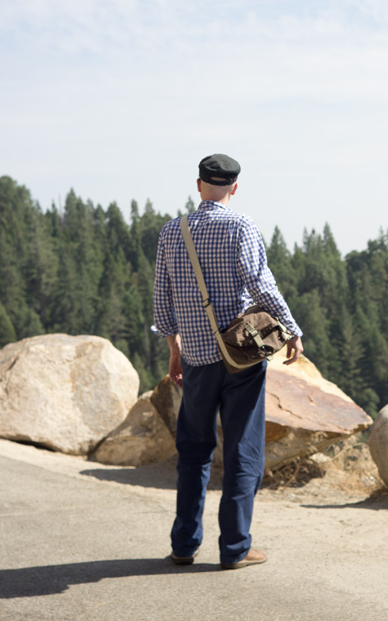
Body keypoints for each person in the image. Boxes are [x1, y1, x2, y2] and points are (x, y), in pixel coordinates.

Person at [153, 153, 303, 569]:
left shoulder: (171, 232)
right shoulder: (241, 226)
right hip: (241, 360)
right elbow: (260, 282)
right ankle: (235, 548)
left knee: (194, 451)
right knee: (243, 453)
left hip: (197, 360)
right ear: (234, 188)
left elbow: (161, 300)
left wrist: (174, 349)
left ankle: (184, 544)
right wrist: (291, 329)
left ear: (198, 184)